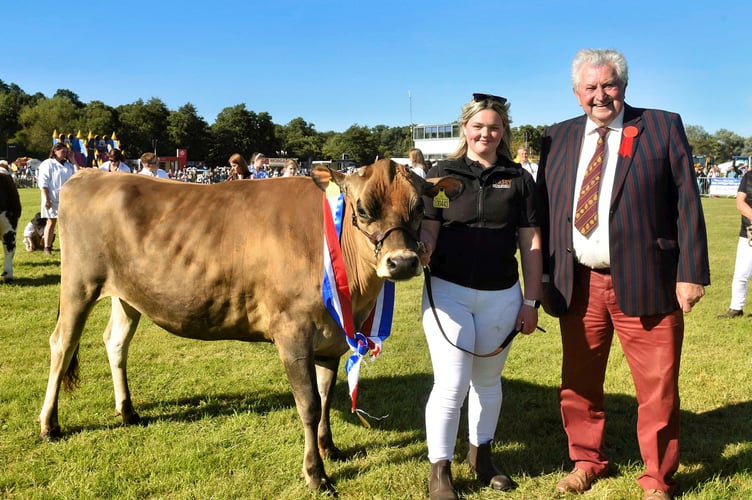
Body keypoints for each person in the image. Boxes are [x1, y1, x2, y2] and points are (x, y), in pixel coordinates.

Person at [536, 49, 710, 500]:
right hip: (578, 283)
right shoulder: (556, 138)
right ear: (577, 94)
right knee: (578, 383)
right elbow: (543, 211)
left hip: (648, 280)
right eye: (590, 88)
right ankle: (586, 461)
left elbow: (688, 204)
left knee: (657, 389)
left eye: (608, 85)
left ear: (624, 86)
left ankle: (657, 478)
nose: (600, 95)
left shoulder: (661, 125)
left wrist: (690, 273)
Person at [418, 93, 542, 499]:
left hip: (502, 294)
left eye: (494, 127)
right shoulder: (442, 173)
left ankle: (482, 456)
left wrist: (530, 301)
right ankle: (440, 471)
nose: (485, 133)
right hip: (448, 292)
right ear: (465, 129)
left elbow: (531, 242)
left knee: (488, 383)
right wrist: (425, 248)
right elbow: (431, 225)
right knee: (452, 384)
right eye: (478, 126)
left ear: (503, 131)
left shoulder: (519, 178)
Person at [717, 169, 752, 318]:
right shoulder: (749, 177)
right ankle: (736, 308)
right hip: (748, 233)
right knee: (741, 274)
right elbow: (740, 202)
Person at [37, 143, 77, 255]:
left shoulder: (68, 165)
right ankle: (47, 247)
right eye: (62, 152)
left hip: (67, 198)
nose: (64, 154)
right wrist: (47, 199)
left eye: (66, 152)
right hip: (52, 197)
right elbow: (43, 183)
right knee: (51, 222)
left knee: (68, 223)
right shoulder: (47, 164)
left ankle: (68, 247)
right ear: (55, 151)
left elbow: (78, 175)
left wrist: (73, 160)